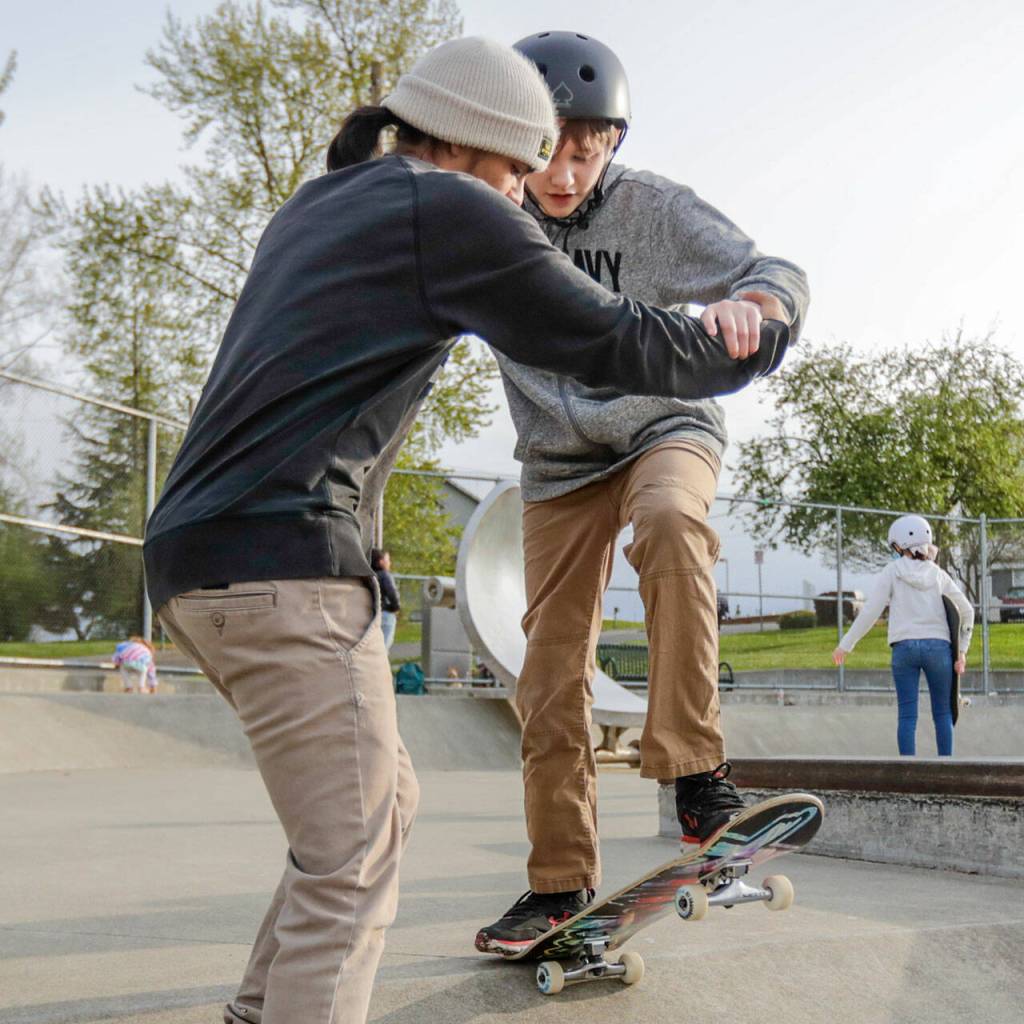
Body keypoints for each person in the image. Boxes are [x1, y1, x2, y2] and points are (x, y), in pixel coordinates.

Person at [142, 36, 792, 1024]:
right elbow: (607, 337)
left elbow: (325, 394)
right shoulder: (447, 208)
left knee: (374, 813)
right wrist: (740, 342)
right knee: (353, 863)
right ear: (484, 150)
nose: (530, 198)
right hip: (286, 569)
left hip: (200, 563)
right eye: (522, 175)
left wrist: (368, 543)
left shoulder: (323, 203)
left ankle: (254, 1009)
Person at [475, 31, 810, 955]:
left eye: (587, 153)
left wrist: (758, 309)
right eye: (549, 153)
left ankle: (698, 775)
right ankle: (555, 888)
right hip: (557, 468)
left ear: (612, 142)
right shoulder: (487, 224)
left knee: (669, 523)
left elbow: (775, 271)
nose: (565, 177)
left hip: (667, 426)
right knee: (548, 676)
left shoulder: (656, 210)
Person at [832, 514, 974, 757]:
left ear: (898, 545)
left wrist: (846, 645)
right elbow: (967, 611)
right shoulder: (938, 574)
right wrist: (962, 650)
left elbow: (871, 611)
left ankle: (907, 772)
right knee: (943, 713)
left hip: (904, 649)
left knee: (907, 714)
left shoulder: (892, 571)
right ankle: (947, 770)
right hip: (939, 648)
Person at [371, 548, 401, 650]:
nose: (390, 563)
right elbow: (392, 593)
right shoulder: (385, 575)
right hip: (385, 613)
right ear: (381, 562)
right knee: (384, 648)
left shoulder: (368, 576)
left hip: (370, 614)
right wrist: (395, 607)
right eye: (388, 560)